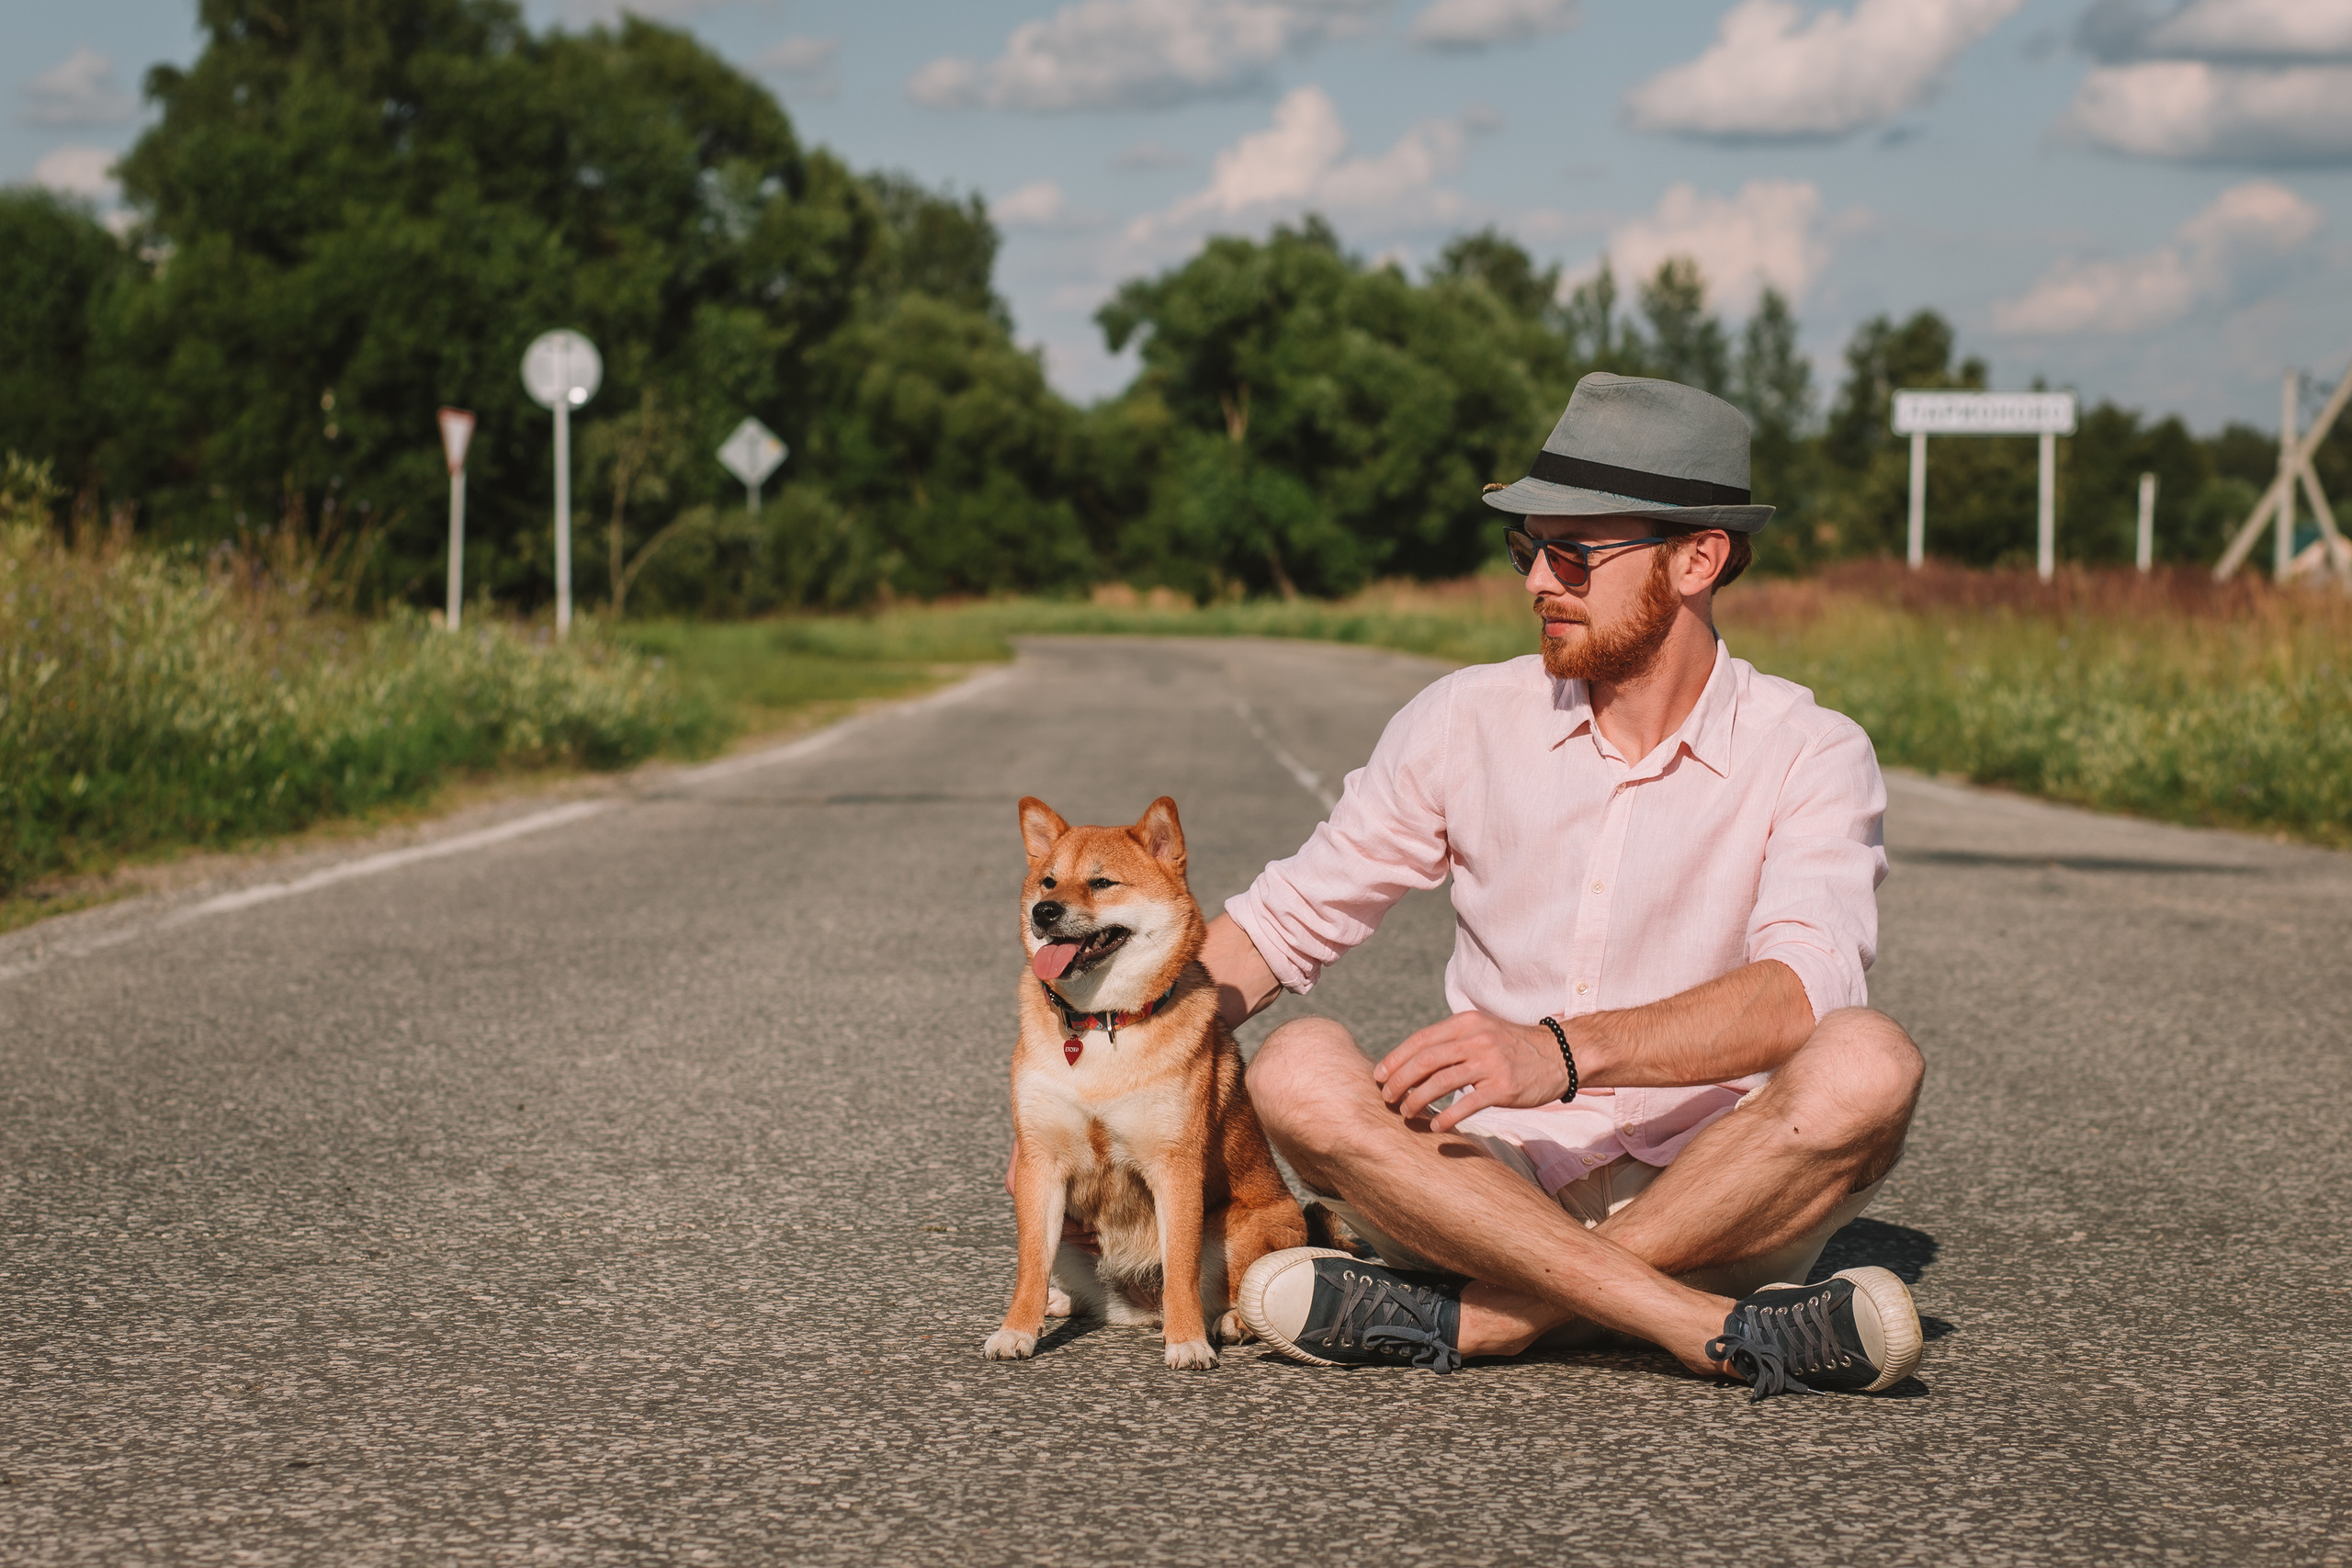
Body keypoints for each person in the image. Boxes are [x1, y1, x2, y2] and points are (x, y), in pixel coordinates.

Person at [1206, 373, 1927, 1400]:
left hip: (1717, 1184)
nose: (1540, 580)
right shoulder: (1463, 719)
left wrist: (1560, 1052)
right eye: (1527, 550)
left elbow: (1802, 993)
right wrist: (1096, 1076)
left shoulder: (1810, 750)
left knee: (1869, 1060)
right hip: (1485, 1183)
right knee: (1295, 1072)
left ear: (1698, 557)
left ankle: (1488, 1324)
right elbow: (1285, 920)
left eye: (1576, 552)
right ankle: (1688, 1321)